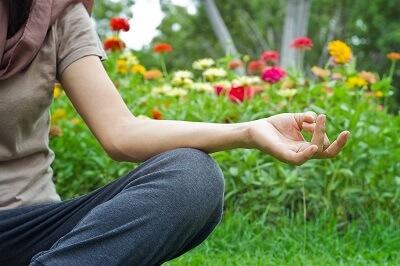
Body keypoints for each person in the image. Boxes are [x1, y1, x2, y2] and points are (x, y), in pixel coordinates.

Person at [0, 0, 350, 265]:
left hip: (33, 227)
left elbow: (121, 131)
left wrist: (250, 131)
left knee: (193, 177)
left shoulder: (55, 12)